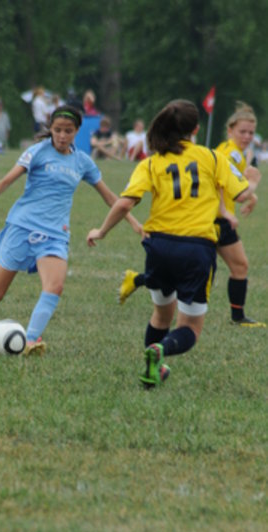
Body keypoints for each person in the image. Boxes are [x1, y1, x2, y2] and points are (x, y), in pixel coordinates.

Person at [87, 99, 260, 387]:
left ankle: (151, 371)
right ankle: (161, 350)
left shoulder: (152, 162)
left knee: (160, 315)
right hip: (196, 249)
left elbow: (125, 203)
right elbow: (242, 194)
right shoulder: (212, 157)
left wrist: (101, 231)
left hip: (159, 246)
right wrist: (253, 181)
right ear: (195, 129)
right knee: (190, 327)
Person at [0, 104, 141, 355]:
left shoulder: (83, 162)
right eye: (58, 130)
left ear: (77, 131)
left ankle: (31, 340)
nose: (62, 136)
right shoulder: (37, 152)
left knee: (54, 287)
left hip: (55, 234)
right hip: (22, 227)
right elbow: (7, 180)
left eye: (68, 131)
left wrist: (134, 222)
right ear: (50, 128)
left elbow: (110, 197)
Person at [214, 102, 265, 327]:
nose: (247, 137)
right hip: (214, 219)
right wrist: (252, 186)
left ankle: (238, 317)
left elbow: (233, 184)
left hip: (220, 219)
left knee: (240, 266)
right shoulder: (231, 154)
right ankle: (138, 279)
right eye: (242, 131)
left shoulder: (232, 152)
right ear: (230, 130)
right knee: (191, 272)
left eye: (251, 133)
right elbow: (221, 185)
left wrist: (251, 196)